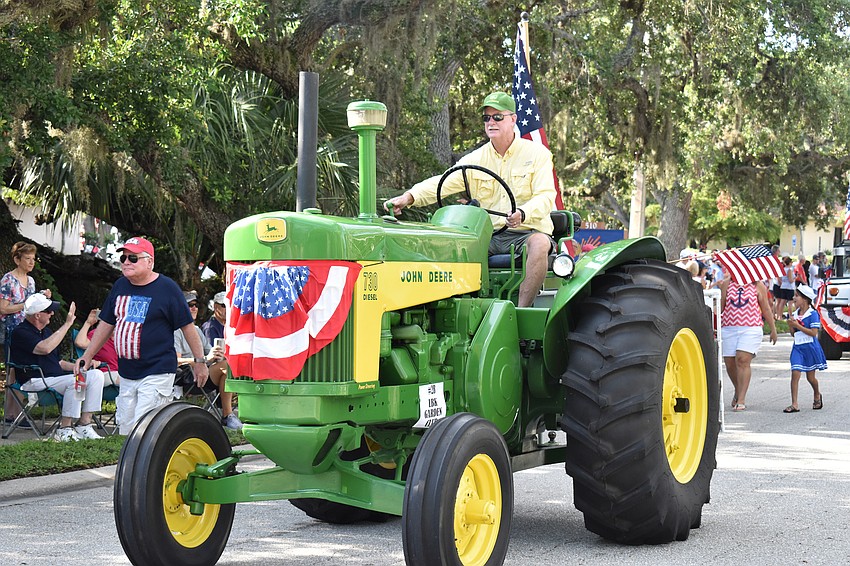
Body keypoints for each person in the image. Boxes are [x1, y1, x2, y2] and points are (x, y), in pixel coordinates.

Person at [383, 91, 557, 307]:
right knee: (448, 245)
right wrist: (409, 197)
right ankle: (459, 308)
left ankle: (521, 311)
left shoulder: (537, 154)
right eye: (486, 118)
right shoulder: (475, 159)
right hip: (488, 236)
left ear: (513, 119)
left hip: (525, 233)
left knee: (540, 243)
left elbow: (546, 196)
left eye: (497, 117)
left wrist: (523, 213)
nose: (491, 122)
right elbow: (442, 183)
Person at [74, 236, 209, 435]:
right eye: (124, 258)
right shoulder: (120, 285)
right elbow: (106, 324)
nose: (127, 262)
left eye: (133, 258)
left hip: (157, 370)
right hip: (127, 372)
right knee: (126, 430)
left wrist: (199, 361)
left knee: (145, 429)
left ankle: (150, 465)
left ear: (149, 261)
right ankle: (131, 466)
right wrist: (87, 356)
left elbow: (187, 327)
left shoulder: (167, 288)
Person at [10, 293, 105, 441]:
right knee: (75, 381)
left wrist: (78, 366)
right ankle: (64, 428)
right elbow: (45, 348)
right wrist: (67, 324)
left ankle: (84, 424)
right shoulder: (21, 332)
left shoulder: (46, 332)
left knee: (95, 375)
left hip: (55, 379)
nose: (52, 314)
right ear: (37, 315)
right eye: (48, 311)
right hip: (34, 380)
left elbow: (58, 362)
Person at [0, 242, 52, 425]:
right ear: (17, 259)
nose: (31, 262)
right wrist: (29, 302)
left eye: (33, 259)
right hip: (12, 331)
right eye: (27, 259)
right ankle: (10, 414)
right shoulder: (8, 279)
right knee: (12, 370)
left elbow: (32, 307)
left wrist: (40, 298)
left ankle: (16, 414)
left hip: (27, 330)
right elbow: (3, 308)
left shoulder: (30, 281)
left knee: (23, 369)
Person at [174, 290, 242, 430]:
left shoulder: (197, 330)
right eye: (190, 305)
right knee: (227, 367)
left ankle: (229, 414)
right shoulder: (176, 331)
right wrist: (204, 359)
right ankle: (227, 415)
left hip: (203, 373)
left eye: (196, 305)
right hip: (187, 377)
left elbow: (208, 353)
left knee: (231, 365)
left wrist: (215, 354)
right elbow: (176, 361)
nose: (194, 308)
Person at [719, 274, 777, 411]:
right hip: (729, 328)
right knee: (730, 363)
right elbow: (721, 307)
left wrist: (773, 328)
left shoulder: (758, 285)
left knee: (742, 359)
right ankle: (738, 389)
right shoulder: (727, 283)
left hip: (751, 328)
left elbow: (766, 308)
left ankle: (741, 399)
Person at [783, 284, 826, 413]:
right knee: (795, 373)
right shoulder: (796, 314)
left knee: (810, 377)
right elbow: (793, 333)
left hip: (810, 348)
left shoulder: (813, 314)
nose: (794, 298)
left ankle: (817, 394)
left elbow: (813, 333)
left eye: (797, 296)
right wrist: (791, 325)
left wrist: (797, 325)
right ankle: (794, 404)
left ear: (805, 299)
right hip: (798, 347)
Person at [774, 256, 796, 320]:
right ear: (789, 263)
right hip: (789, 288)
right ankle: (790, 315)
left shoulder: (782, 269)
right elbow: (790, 280)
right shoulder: (789, 270)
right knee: (790, 303)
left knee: (782, 302)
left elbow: (780, 278)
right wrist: (795, 278)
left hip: (783, 286)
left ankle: (779, 316)